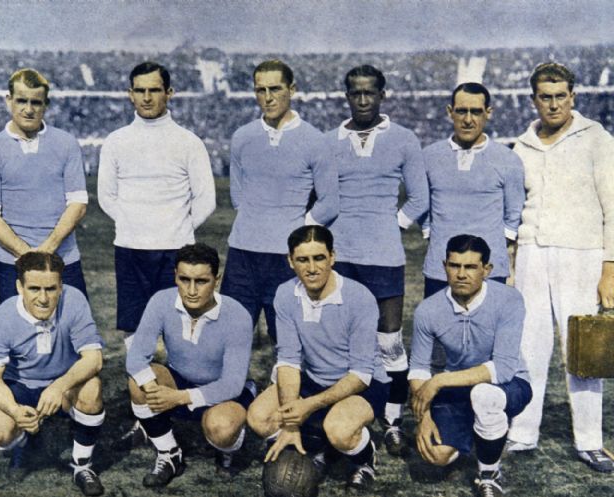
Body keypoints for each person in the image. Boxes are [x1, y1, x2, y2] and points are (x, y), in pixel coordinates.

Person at [506, 62, 614, 472]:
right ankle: (522, 433)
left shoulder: (596, 138)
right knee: (529, 346)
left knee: (582, 348)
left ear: (573, 97)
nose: (553, 105)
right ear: (534, 100)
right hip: (533, 254)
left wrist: (610, 268)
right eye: (545, 97)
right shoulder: (522, 146)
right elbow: (517, 209)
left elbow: (613, 207)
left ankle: (589, 441)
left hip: (581, 255)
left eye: (560, 96)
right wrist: (513, 263)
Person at [325, 65, 429, 456]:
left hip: (384, 256)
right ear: (347, 96)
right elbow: (320, 196)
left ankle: (394, 420)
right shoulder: (329, 141)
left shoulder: (403, 139)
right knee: (346, 341)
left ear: (383, 95)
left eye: (370, 92)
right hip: (342, 257)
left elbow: (419, 198)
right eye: (355, 93)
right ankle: (348, 414)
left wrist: (391, 225)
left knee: (389, 342)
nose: (363, 99)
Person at [247, 226, 390, 491]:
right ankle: (307, 445)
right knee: (259, 417)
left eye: (319, 258)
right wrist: (291, 423)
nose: (312, 268)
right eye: (303, 259)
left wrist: (309, 405)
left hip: (362, 383)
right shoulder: (285, 294)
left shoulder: (359, 297)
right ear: (290, 261)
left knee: (339, 430)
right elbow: (288, 360)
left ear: (332, 257)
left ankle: (364, 456)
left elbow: (361, 373)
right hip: (314, 377)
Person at [221, 59, 338, 344]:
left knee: (285, 337)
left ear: (292, 89)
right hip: (242, 254)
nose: (268, 97)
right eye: (260, 90)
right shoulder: (242, 137)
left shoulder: (315, 140)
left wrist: (298, 231)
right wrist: (257, 223)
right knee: (231, 333)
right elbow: (238, 196)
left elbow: (330, 202)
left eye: (275, 89)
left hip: (285, 258)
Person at [97, 61, 215, 339]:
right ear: (131, 94)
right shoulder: (116, 141)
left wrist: (177, 227)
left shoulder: (188, 142)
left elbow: (206, 198)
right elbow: (106, 196)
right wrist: (133, 223)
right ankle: (138, 369)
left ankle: (174, 368)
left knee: (176, 324)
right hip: (130, 247)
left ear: (169, 93)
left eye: (154, 90)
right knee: (133, 326)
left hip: (175, 249)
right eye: (140, 91)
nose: (147, 98)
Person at [409, 234, 532, 497]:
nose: (461, 274)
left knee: (484, 396)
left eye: (471, 267)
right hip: (457, 389)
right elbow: (419, 368)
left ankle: (489, 474)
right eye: (454, 266)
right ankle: (481, 434)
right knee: (437, 455)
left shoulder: (509, 299)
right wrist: (424, 418)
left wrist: (439, 380)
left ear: (487, 270)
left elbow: (503, 368)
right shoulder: (428, 309)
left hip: (509, 384)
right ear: (444, 266)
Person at [126, 243, 254, 487]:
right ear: (175, 275)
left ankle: (226, 449)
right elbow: (136, 357)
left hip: (223, 391)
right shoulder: (161, 301)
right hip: (180, 379)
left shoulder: (237, 315)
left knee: (221, 428)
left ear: (217, 280)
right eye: (184, 280)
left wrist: (179, 398)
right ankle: (169, 453)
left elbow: (232, 384)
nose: (192, 290)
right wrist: (155, 391)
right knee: (138, 381)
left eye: (201, 281)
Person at [0, 251, 105, 496]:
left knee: (92, 388)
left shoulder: (74, 300)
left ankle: (82, 464)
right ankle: (24, 443)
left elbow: (94, 358)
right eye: (34, 289)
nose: (44, 298)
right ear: (19, 287)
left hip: (64, 384)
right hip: (21, 385)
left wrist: (59, 386)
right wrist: (14, 410)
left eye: (51, 289)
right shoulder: (2, 317)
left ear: (61, 286)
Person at [0, 68, 89, 303]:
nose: (28, 109)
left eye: (36, 102)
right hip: (14, 263)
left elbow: (77, 205)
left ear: (45, 104)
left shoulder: (66, 144)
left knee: (73, 324)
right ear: (9, 100)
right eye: (21, 101)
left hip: (64, 260)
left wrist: (47, 250)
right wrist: (28, 255)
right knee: (19, 326)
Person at [421, 82, 525, 297]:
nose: (468, 120)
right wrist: (433, 235)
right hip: (440, 268)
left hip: (488, 270)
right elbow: (421, 203)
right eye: (461, 111)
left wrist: (495, 244)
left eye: (476, 112)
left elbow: (514, 212)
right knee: (439, 318)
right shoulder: (429, 156)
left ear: (488, 112)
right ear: (450, 112)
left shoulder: (508, 159)